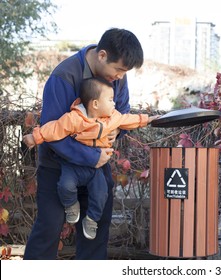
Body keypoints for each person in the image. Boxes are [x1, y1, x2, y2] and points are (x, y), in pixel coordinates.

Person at [24, 28, 146, 259]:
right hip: (57, 169)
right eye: (118, 69)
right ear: (102, 56)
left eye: (124, 72)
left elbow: (122, 110)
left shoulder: (117, 77)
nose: (120, 76)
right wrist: (90, 156)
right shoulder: (64, 76)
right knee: (48, 232)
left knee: (96, 235)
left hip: (97, 171)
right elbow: (53, 131)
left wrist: (116, 131)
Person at [23, 77, 157, 240]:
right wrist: (34, 137)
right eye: (110, 100)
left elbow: (129, 119)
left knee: (101, 193)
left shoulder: (113, 117)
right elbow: (54, 129)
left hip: (96, 167)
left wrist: (148, 119)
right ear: (95, 104)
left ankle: (92, 219)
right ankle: (71, 205)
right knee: (65, 186)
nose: (114, 104)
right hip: (74, 164)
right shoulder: (75, 118)